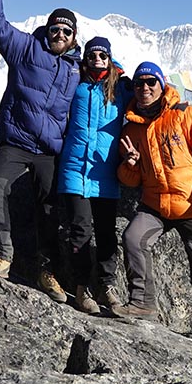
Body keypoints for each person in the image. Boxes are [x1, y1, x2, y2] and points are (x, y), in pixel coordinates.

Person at [0, 0, 82, 304]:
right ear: (47, 30)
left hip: (50, 150)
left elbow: (112, 88)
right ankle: (3, 254)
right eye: (55, 29)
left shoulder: (78, 70)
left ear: (74, 37)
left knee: (52, 210)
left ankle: (46, 269)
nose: (59, 34)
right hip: (16, 141)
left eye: (66, 31)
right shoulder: (25, 48)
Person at [113, 61, 192, 341]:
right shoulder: (131, 130)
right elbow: (130, 181)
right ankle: (142, 303)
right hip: (155, 205)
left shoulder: (186, 114)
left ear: (162, 85)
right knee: (133, 238)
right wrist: (129, 164)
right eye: (139, 83)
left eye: (151, 82)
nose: (144, 88)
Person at [56, 36, 132, 314]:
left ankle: (106, 285)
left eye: (102, 55)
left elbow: (152, 98)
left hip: (105, 174)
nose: (97, 60)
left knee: (106, 234)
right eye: (92, 55)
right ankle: (81, 288)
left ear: (110, 58)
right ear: (84, 58)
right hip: (75, 170)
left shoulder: (121, 88)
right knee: (80, 231)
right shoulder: (74, 83)